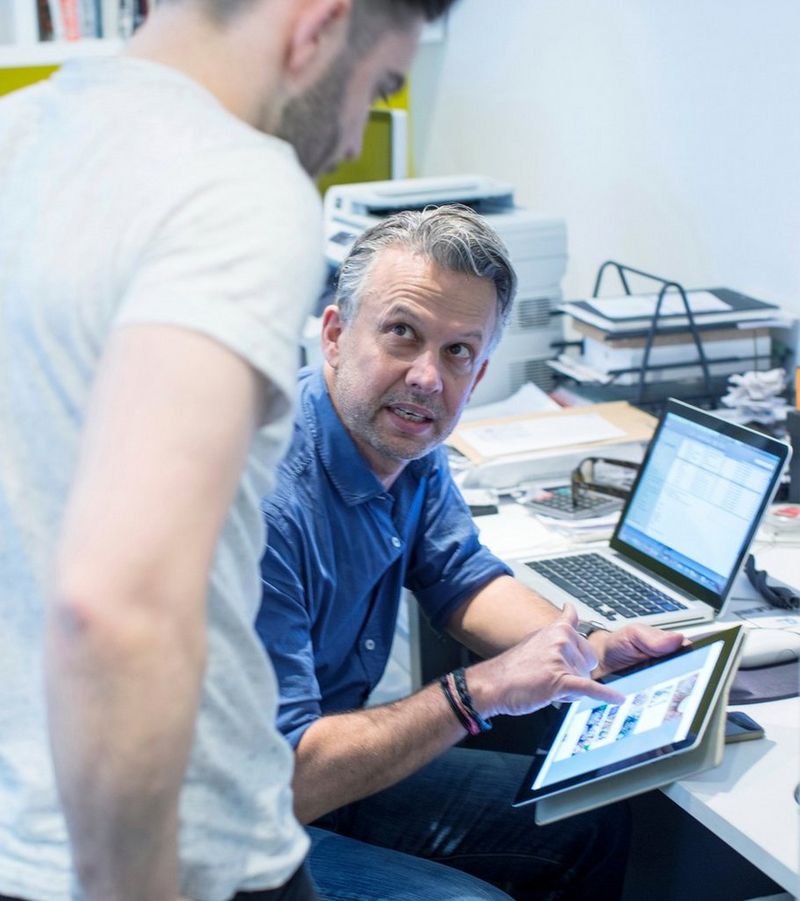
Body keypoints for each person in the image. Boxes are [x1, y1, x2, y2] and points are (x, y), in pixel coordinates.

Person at [0, 1, 456, 899]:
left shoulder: (21, 134)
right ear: (317, 26)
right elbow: (117, 608)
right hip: (178, 846)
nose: (357, 128)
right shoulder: (236, 184)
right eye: (379, 86)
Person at [256, 205, 686, 900]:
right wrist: (477, 690)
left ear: (479, 372)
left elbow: (459, 577)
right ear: (335, 335)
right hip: (225, 819)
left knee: (585, 820)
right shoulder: (264, 505)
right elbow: (286, 777)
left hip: (324, 760)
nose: (427, 376)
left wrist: (587, 647)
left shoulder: (405, 442)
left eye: (457, 352)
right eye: (403, 333)